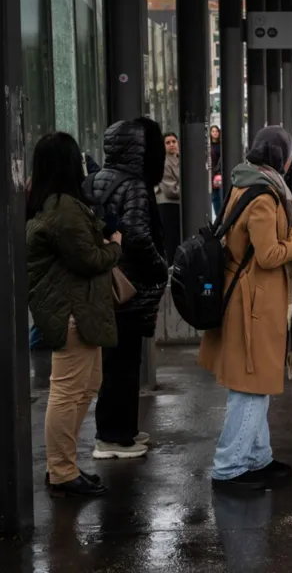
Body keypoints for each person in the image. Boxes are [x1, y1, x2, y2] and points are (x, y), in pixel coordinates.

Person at [199, 126, 292, 491]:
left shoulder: (244, 182)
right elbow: (269, 254)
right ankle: (229, 467)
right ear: (281, 157)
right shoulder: (264, 196)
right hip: (253, 304)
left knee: (256, 384)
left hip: (252, 299)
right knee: (249, 388)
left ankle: (256, 457)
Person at [27, 132, 124, 497]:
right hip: (72, 312)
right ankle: (62, 471)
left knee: (87, 384)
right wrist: (114, 248)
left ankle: (63, 464)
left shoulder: (53, 202)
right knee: (67, 391)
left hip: (78, 309)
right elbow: (89, 259)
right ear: (66, 163)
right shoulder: (63, 207)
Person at [82, 118, 169, 459]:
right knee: (124, 363)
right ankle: (114, 437)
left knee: (116, 361)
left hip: (107, 283)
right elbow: (137, 235)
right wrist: (159, 268)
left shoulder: (99, 178)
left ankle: (122, 430)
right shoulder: (133, 184)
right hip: (129, 287)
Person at [157, 132, 182, 261]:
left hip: (176, 204)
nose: (172, 145)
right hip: (167, 205)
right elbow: (170, 189)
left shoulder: (179, 158)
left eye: (174, 141)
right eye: (168, 142)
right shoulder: (163, 162)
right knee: (170, 238)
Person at [210, 125, 223, 219]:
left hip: (220, 172)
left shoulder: (222, 145)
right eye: (213, 131)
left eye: (216, 131)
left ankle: (221, 215)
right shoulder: (208, 146)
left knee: (221, 194)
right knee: (214, 196)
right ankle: (217, 215)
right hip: (212, 173)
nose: (215, 133)